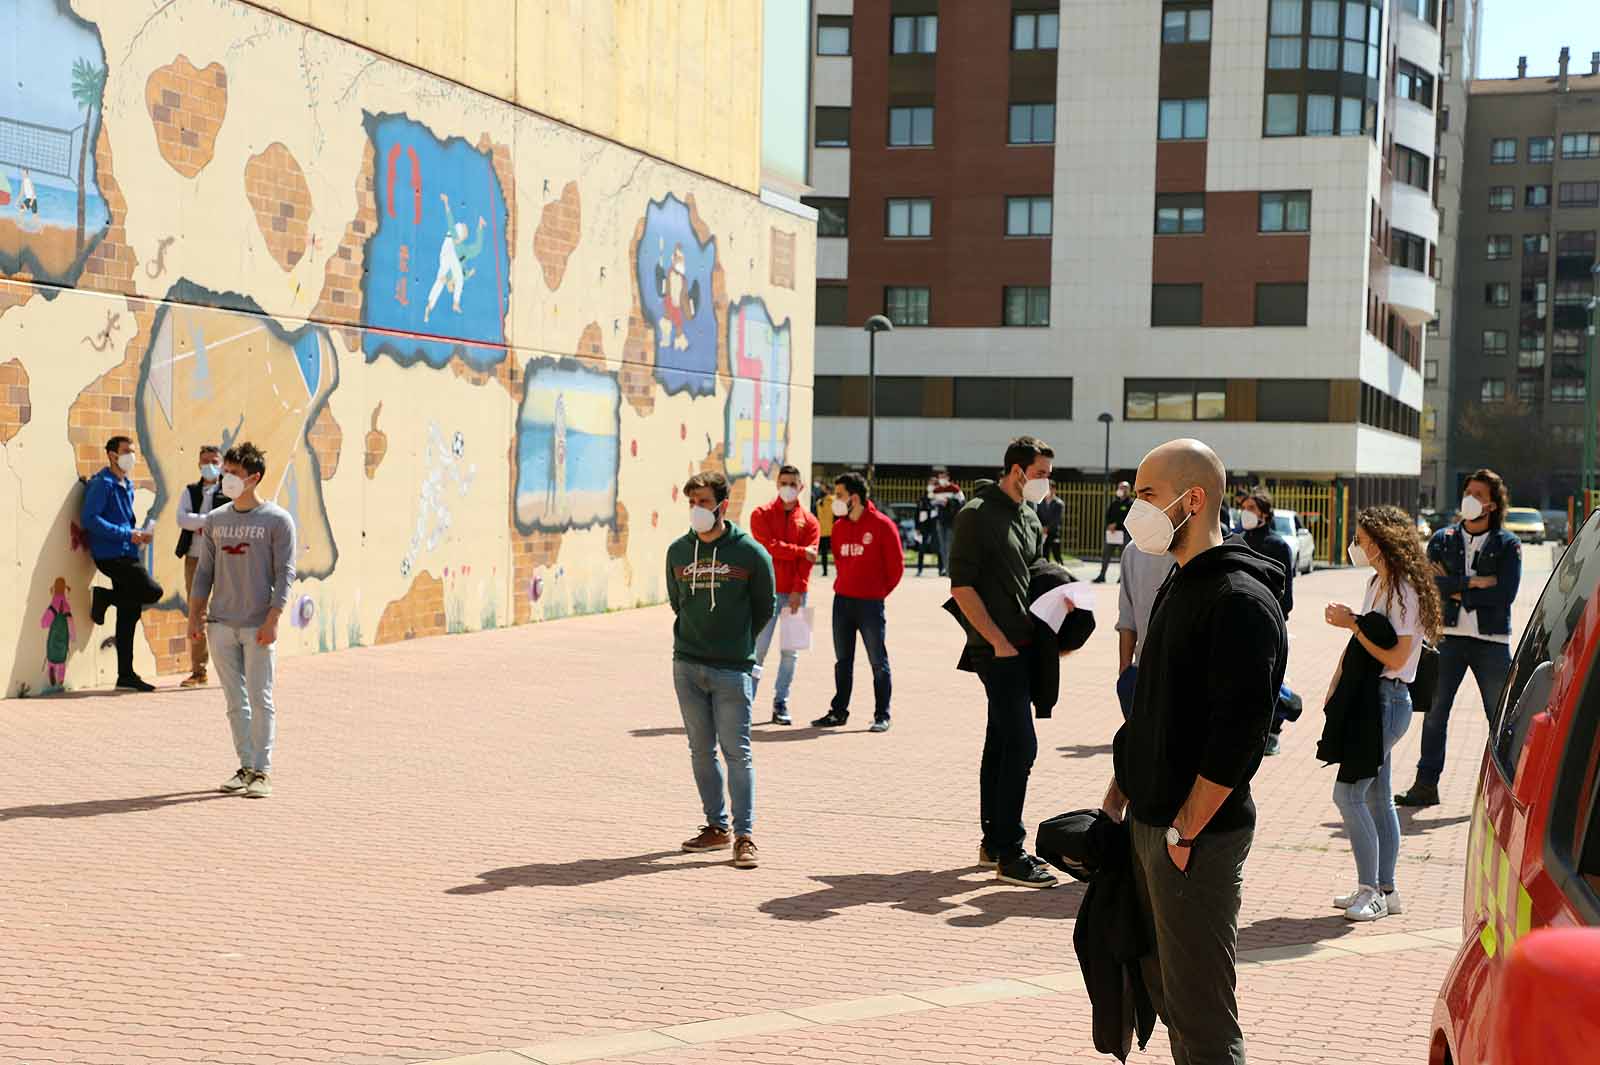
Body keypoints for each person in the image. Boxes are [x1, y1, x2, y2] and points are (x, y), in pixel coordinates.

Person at [1100, 439, 1287, 1065]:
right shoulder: (1177, 582)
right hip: (1152, 826)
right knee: (1162, 989)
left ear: (1194, 498)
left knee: (1202, 1016)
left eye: (1148, 495)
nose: (1135, 508)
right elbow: (1149, 711)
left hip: (1195, 840)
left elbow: (1238, 740)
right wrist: (1115, 805)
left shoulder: (1240, 599)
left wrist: (1184, 833)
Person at [1320, 505, 1443, 921]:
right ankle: (1386, 890)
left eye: (1361, 538)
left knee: (1348, 794)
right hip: (1369, 699)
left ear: (1381, 540)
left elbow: (1395, 654)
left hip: (1388, 702)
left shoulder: (1404, 589)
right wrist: (1336, 682)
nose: (1356, 545)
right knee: (1376, 798)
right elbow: (1362, 645)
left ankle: (1369, 889)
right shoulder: (1377, 583)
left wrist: (1352, 624)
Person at [950, 435, 1062, 888]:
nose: (1046, 482)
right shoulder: (976, 515)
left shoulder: (1029, 516)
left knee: (1001, 741)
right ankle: (1011, 852)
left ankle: (993, 842)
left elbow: (1035, 579)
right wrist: (996, 641)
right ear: (1017, 471)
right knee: (1021, 744)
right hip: (994, 650)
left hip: (1023, 646)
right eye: (1041, 473)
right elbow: (962, 588)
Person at [665, 471, 775, 868]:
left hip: (732, 669)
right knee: (700, 750)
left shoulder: (750, 552)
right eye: (691, 502)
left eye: (705, 502)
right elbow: (678, 602)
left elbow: (765, 606)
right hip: (687, 664)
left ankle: (744, 836)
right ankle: (716, 827)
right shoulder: (678, 551)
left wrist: (737, 642)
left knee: (737, 752)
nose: (697, 509)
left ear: (723, 505)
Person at [1397, 469, 1522, 809]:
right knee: (1435, 712)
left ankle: (1508, 792)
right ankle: (1426, 785)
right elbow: (1428, 586)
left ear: (1493, 505)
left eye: (1479, 494)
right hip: (1447, 639)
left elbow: (1505, 594)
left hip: (1491, 641)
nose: (1470, 498)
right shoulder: (1443, 539)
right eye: (1468, 491)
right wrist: (1474, 583)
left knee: (1500, 717)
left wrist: (1453, 587)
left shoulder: (1507, 544)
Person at [187, 442, 297, 800]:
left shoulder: (277, 521)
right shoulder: (216, 520)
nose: (227, 478)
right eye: (226, 472)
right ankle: (245, 766)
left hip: (257, 625)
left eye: (234, 473)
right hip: (221, 624)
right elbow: (204, 572)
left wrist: (273, 618)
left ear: (254, 477)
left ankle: (262, 771)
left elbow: (285, 574)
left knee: (260, 697)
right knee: (235, 701)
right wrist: (195, 616)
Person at [813, 471, 903, 733]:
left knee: (877, 661)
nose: (835, 500)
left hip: (870, 604)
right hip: (842, 602)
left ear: (854, 497)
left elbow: (895, 567)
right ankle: (839, 711)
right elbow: (841, 563)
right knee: (843, 661)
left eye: (839, 495)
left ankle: (882, 714)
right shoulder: (839, 527)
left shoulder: (882, 525)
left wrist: (877, 592)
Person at [82, 435, 163, 692]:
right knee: (152, 591)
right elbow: (90, 519)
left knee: (129, 611)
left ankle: (125, 674)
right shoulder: (102, 484)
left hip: (128, 552)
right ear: (112, 455)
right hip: (111, 556)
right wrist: (127, 534)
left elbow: (125, 522)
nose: (131, 456)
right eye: (126, 451)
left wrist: (138, 534)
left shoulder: (126, 484)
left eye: (133, 451)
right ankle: (104, 596)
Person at [749, 464, 820, 725]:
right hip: (765, 592)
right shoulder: (761, 514)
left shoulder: (811, 521)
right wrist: (800, 551)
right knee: (757, 650)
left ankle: (781, 703)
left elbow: (808, 564)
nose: (788, 487)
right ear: (777, 484)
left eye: (793, 483)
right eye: (784, 482)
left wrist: (797, 591)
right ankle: (746, 701)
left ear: (801, 486)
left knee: (791, 653)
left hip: (797, 596)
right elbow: (768, 548)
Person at [1239, 488, 1297, 755]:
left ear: (1264, 513)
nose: (1245, 513)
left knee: (1269, 681)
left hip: (1269, 625)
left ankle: (1273, 731)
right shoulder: (1236, 541)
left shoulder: (1278, 545)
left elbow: (1287, 596)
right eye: (1244, 507)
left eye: (1251, 508)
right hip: (1238, 623)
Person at [174, 445, 230, 689]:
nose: (209, 465)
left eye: (213, 460)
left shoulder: (229, 489)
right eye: (204, 461)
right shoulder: (191, 491)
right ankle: (199, 670)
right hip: (194, 557)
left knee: (227, 610)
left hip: (224, 557)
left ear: (222, 463)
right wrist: (208, 522)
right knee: (196, 613)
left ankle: (231, 668)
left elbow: (229, 517)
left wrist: (200, 523)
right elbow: (182, 518)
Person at [1114, 541, 1176, 720]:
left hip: (1177, 675)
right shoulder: (1133, 551)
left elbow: (1126, 619)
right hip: (1142, 673)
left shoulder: (1200, 550)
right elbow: (1127, 618)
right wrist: (1125, 673)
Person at [424, 193, 487, 323]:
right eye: (465, 231)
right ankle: (454, 303)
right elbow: (465, 273)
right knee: (455, 278)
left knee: (441, 281)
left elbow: (476, 248)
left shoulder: (453, 271)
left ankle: (430, 305)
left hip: (448, 255)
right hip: (449, 253)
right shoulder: (460, 257)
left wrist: (446, 204)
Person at [930, 469, 965, 577]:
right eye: (940, 477)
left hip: (951, 521)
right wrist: (938, 502)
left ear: (948, 478)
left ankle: (950, 569)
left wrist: (949, 502)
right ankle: (946, 568)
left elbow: (962, 502)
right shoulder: (936, 490)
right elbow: (931, 502)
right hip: (940, 520)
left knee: (949, 545)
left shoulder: (955, 489)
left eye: (943, 477)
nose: (942, 479)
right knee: (942, 546)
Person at [1096, 481, 1134, 583]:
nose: (1123, 489)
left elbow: (1128, 518)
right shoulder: (1115, 503)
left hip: (1124, 534)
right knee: (1106, 554)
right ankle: (1102, 575)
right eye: (1121, 487)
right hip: (1112, 534)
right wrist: (1109, 525)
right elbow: (1107, 516)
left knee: (1123, 557)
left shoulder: (1131, 503)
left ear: (1129, 490)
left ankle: (1122, 578)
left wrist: (1116, 525)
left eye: (1125, 488)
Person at [1036, 482, 1066, 565]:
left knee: (1057, 556)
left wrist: (1047, 528)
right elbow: (1038, 515)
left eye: (1049, 489)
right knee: (1044, 555)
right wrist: (1042, 527)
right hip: (1043, 533)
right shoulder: (1040, 503)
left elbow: (1057, 519)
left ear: (1054, 490)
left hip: (1054, 533)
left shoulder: (1059, 503)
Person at [815, 479, 834, 577]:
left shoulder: (831, 500)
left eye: (823, 488)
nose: (821, 490)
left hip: (829, 531)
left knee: (826, 552)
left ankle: (826, 571)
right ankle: (825, 570)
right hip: (825, 531)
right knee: (824, 553)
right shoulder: (820, 502)